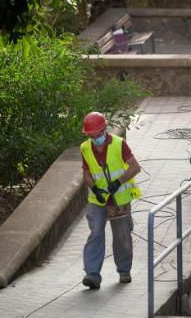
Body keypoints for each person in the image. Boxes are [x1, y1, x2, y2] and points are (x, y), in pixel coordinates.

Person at [80, 112, 142, 289]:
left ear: (104, 130)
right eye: (91, 136)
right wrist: (95, 188)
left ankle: (124, 271)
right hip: (98, 200)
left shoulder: (118, 144)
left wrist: (118, 181)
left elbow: (135, 167)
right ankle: (92, 275)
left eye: (97, 135)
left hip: (119, 199)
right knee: (96, 234)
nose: (95, 139)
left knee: (122, 236)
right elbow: (86, 172)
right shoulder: (85, 148)